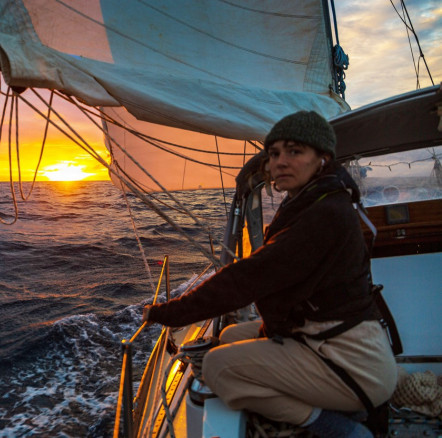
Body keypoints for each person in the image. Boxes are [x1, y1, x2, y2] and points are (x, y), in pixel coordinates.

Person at [142, 111, 398, 438]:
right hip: (327, 339)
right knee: (231, 337)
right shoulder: (314, 200)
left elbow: (247, 277)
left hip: (354, 366)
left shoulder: (325, 214)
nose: (280, 161)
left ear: (322, 158)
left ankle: (341, 427)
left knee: (217, 367)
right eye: (274, 153)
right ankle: (342, 404)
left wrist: (169, 312)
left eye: (295, 151)